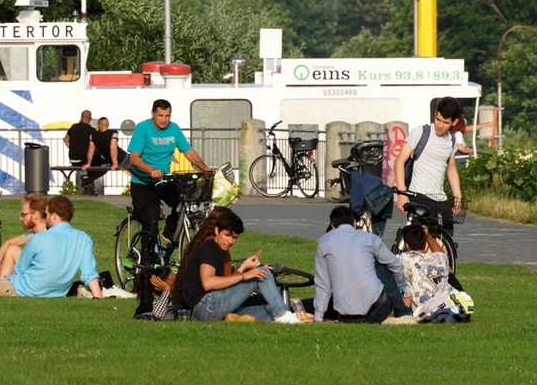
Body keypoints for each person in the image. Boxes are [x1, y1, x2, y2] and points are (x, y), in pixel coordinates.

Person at [0, 195, 104, 298]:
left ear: (54, 216)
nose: (45, 218)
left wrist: (1, 278)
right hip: (55, 292)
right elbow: (89, 273)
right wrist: (98, 296)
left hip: (25, 289)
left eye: (46, 215)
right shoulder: (83, 239)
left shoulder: (39, 239)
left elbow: (20, 270)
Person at [170, 208, 305, 323]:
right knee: (262, 272)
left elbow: (225, 283)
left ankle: (284, 315)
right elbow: (208, 282)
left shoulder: (216, 248)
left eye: (234, 238)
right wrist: (244, 276)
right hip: (205, 306)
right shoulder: (210, 247)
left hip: (206, 310)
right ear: (217, 230)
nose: (230, 241)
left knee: (268, 310)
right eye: (227, 235)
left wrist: (243, 268)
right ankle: (283, 314)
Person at [124, 99, 208, 263]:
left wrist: (204, 168)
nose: (164, 119)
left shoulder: (174, 129)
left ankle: (169, 233)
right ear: (153, 114)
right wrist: (151, 170)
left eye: (167, 115)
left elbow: (189, 152)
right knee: (151, 222)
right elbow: (134, 159)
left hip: (164, 180)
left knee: (184, 203)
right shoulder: (143, 128)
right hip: (143, 182)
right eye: (160, 115)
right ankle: (147, 262)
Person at [312, 204, 413, 323]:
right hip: (377, 308)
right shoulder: (369, 238)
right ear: (354, 223)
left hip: (345, 317)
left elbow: (323, 284)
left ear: (332, 226)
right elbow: (396, 265)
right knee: (382, 263)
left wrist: (318, 317)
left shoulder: (324, 241)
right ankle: (403, 312)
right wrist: (402, 288)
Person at [396, 96, 465, 222]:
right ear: (435, 113)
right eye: (438, 119)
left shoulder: (452, 140)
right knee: (417, 240)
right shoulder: (421, 132)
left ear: (454, 122)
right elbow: (399, 161)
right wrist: (401, 194)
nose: (440, 125)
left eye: (445, 122)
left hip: (440, 198)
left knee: (444, 240)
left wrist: (457, 196)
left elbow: (451, 168)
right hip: (418, 196)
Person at [396, 222, 464, 321]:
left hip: (426, 309)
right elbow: (442, 254)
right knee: (448, 272)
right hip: (451, 301)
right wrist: (428, 236)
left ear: (407, 246)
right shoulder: (439, 257)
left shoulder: (404, 258)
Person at [0, 194, 48, 279]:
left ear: (36, 215)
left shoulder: (48, 234)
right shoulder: (33, 233)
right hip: (36, 274)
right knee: (12, 249)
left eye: (23, 215)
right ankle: (2, 283)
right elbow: (8, 242)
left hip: (41, 278)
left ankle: (1, 284)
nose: (20, 218)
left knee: (12, 251)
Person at [63, 111, 97, 195]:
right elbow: (94, 147)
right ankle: (89, 182)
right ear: (90, 119)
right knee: (97, 161)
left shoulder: (73, 127)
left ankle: (87, 183)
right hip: (84, 161)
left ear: (81, 117)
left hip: (73, 160)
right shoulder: (91, 130)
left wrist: (73, 148)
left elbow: (65, 140)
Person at [86, 117, 120, 195]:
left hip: (103, 160)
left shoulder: (94, 135)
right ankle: (89, 181)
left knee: (103, 168)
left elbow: (91, 150)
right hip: (117, 158)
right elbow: (113, 148)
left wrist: (88, 163)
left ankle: (89, 181)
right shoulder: (113, 133)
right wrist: (115, 163)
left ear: (99, 125)